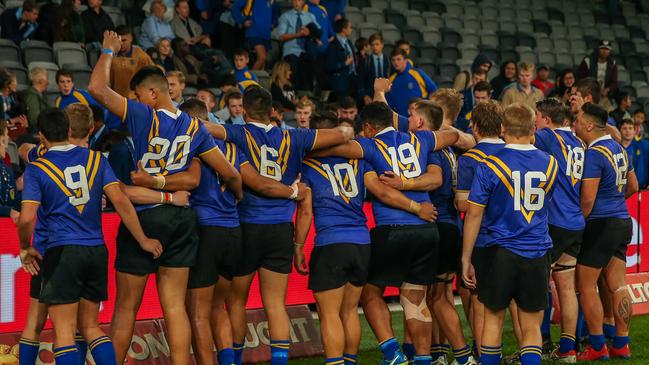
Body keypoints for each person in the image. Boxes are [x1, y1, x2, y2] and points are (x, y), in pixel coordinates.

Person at [89, 30, 244, 365]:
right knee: (175, 306)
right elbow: (227, 172)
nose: (135, 99)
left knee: (126, 307)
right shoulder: (195, 127)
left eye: (138, 93)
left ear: (153, 93)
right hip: (182, 217)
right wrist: (239, 193)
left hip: (146, 213)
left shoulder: (145, 115)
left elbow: (96, 89)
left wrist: (108, 50)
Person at [201, 86, 353, 365]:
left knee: (236, 302)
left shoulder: (238, 132)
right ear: (273, 111)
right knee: (275, 304)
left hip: (246, 227)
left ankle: (233, 360)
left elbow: (206, 129)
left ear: (244, 110)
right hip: (282, 229)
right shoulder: (296, 136)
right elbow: (344, 132)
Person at [313, 102, 460, 365]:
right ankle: (424, 359)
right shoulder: (420, 140)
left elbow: (335, 150)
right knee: (415, 297)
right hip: (428, 230)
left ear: (368, 127)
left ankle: (392, 353)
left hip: (394, 229)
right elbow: (453, 136)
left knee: (369, 294)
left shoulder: (369, 146)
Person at [18, 108, 162, 365]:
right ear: (69, 131)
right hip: (95, 250)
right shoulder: (97, 159)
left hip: (59, 251)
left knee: (62, 334)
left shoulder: (38, 167)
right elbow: (121, 201)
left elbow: (27, 217)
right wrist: (143, 239)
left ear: (42, 136)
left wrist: (24, 247)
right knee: (92, 328)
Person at [178, 98, 304, 365]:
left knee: (207, 310)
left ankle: (229, 360)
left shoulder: (191, 147)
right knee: (237, 305)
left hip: (212, 228)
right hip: (238, 230)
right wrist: (291, 192)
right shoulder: (236, 148)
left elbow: (192, 180)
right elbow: (248, 180)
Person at [462, 103, 559, 365]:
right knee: (531, 326)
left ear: (503, 129)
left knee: (493, 319)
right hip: (537, 251)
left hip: (499, 251)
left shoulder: (489, 165)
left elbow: (473, 215)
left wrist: (465, 258)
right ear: (532, 130)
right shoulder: (551, 163)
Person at [393, 100, 477, 365]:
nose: (407, 120)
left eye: (411, 116)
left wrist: (401, 184)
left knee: (437, 298)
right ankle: (441, 353)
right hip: (452, 224)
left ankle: (462, 357)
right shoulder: (450, 147)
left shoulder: (427, 145)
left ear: (421, 122)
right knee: (438, 296)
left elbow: (435, 179)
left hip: (439, 223)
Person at [572, 103, 638, 361]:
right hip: (622, 220)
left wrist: (579, 223)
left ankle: (597, 346)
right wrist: (614, 200)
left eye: (577, 119)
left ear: (589, 125)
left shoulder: (594, 154)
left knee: (585, 285)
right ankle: (622, 343)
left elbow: (587, 200)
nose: (574, 124)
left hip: (601, 223)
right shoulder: (619, 148)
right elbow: (633, 186)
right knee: (618, 284)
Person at [533, 99, 586, 362]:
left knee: (538, 282)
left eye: (536, 117)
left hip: (554, 220)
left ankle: (541, 342)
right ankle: (568, 350)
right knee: (566, 287)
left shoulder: (547, 137)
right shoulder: (579, 142)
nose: (534, 121)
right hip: (576, 221)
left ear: (545, 119)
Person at [455, 100, 505, 354]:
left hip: (483, 237)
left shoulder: (469, 159)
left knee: (479, 299)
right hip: (517, 236)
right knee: (516, 303)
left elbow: (464, 205)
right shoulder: (517, 151)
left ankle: (482, 351)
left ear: (474, 127)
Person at [277, 0, 320, 92]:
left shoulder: (310, 16)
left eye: (299, 0)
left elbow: (318, 32)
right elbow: (281, 36)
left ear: (303, 2)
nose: (296, 2)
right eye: (294, 0)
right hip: (291, 52)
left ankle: (306, 101)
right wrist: (298, 34)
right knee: (293, 80)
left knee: (308, 81)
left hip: (307, 52)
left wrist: (309, 32)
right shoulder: (285, 16)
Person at [386, 49, 437, 117]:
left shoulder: (417, 73)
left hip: (421, 118)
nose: (396, 62)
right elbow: (389, 102)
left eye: (398, 59)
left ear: (405, 60)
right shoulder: (391, 80)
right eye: (393, 60)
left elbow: (434, 91)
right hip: (401, 120)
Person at [111, 25, 155, 98]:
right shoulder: (109, 56)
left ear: (131, 38)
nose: (121, 43)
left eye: (124, 40)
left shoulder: (141, 56)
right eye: (118, 40)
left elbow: (153, 72)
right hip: (116, 99)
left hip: (136, 99)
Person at [232, 0, 273, 70]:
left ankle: (258, 80)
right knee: (262, 57)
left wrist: (273, 23)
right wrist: (242, 21)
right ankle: (250, 79)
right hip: (254, 32)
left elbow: (274, 11)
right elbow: (235, 7)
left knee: (263, 62)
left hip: (266, 34)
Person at [577, 41, 618, 105]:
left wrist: (607, 89)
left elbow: (614, 82)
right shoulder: (588, 61)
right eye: (602, 48)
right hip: (588, 95)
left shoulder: (612, 64)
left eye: (607, 49)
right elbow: (580, 78)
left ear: (610, 51)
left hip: (604, 96)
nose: (604, 51)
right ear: (598, 49)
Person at [620, 118, 649, 188]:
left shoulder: (644, 145)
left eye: (630, 128)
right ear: (619, 131)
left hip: (641, 188)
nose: (627, 131)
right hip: (621, 189)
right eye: (624, 128)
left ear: (634, 131)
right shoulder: (615, 148)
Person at [0, 70, 28, 141]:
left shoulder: (15, 97)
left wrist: (23, 124)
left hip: (12, 131)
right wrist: (11, 121)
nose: (16, 83)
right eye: (14, 81)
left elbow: (21, 118)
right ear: (6, 85)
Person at [0, 120, 19, 223]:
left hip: (9, 226)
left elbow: (14, 199)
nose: (8, 139)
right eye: (6, 135)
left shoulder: (7, 169)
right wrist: (8, 212)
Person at [21, 67, 50, 133]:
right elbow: (34, 119)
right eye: (47, 79)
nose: (48, 82)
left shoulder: (40, 95)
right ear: (41, 81)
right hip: (36, 132)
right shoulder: (32, 96)